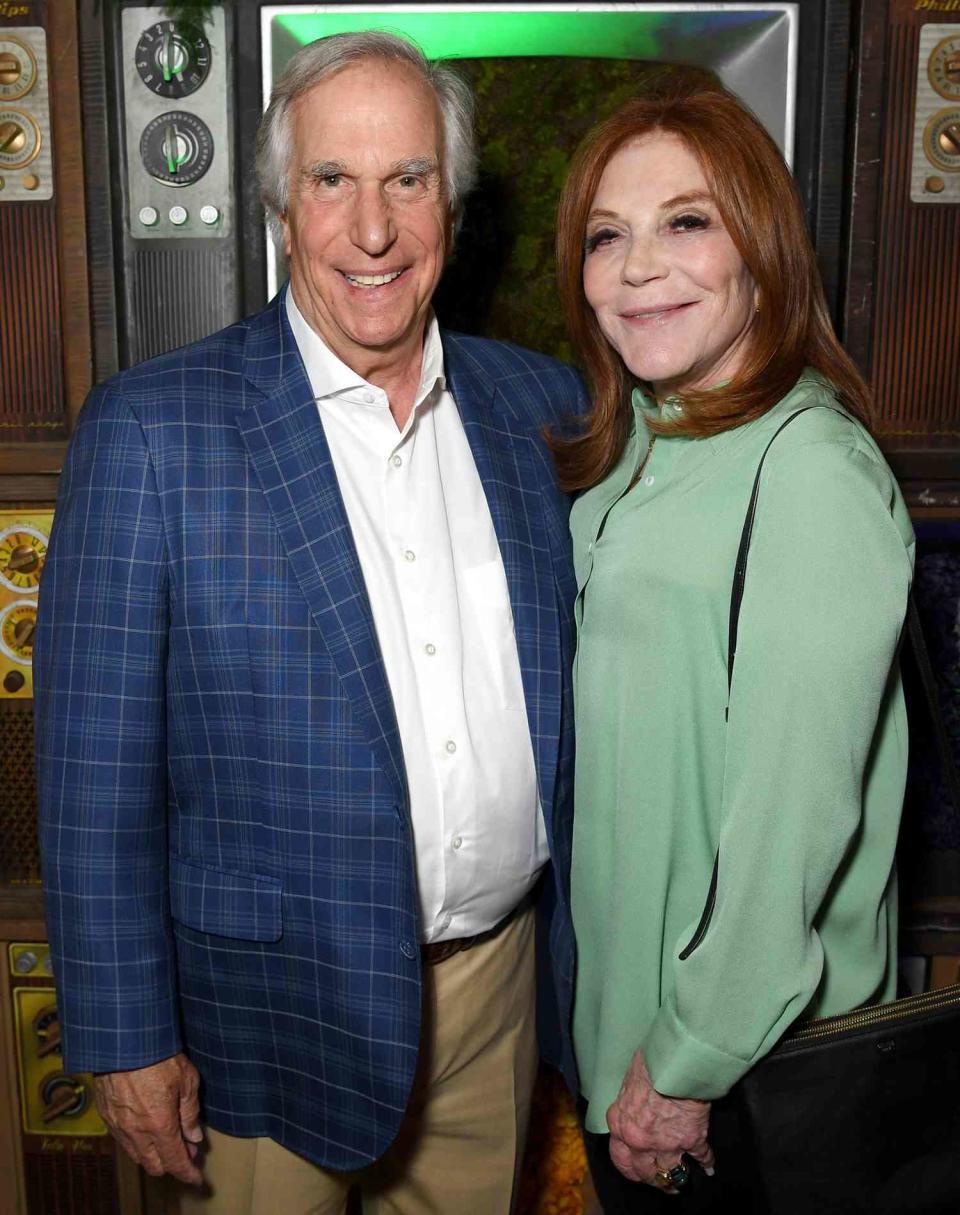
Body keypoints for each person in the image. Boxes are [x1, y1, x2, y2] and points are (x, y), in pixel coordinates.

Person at [34, 32, 587, 1215]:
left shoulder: (544, 409)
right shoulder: (151, 432)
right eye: (333, 180)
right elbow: (91, 776)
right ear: (284, 206)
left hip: (494, 997)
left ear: (455, 201)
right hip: (262, 1020)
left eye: (410, 180)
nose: (372, 230)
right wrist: (128, 1039)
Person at [549, 75, 914, 1213]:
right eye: (608, 236)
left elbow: (791, 826)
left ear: (762, 247)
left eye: (687, 222)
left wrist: (689, 1061)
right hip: (626, 1038)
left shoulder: (808, 471)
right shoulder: (641, 447)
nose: (638, 266)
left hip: (729, 1072)